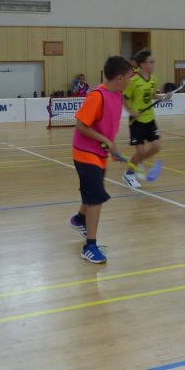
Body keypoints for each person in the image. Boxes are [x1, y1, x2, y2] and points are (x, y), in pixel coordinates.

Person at [69, 55, 134, 265]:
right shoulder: (97, 96)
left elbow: (106, 126)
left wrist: (111, 147)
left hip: (100, 153)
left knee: (92, 192)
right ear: (120, 78)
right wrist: (106, 141)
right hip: (85, 153)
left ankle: (79, 219)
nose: (130, 80)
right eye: (129, 76)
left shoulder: (118, 94)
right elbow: (80, 125)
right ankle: (89, 246)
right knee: (96, 198)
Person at [122, 49, 170, 189]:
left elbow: (153, 95)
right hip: (136, 121)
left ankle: (137, 162)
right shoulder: (133, 81)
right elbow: (124, 98)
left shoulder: (154, 80)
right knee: (141, 151)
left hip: (150, 119)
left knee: (156, 147)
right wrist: (132, 112)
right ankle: (129, 174)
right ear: (142, 64)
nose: (154, 64)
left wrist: (164, 96)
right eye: (151, 62)